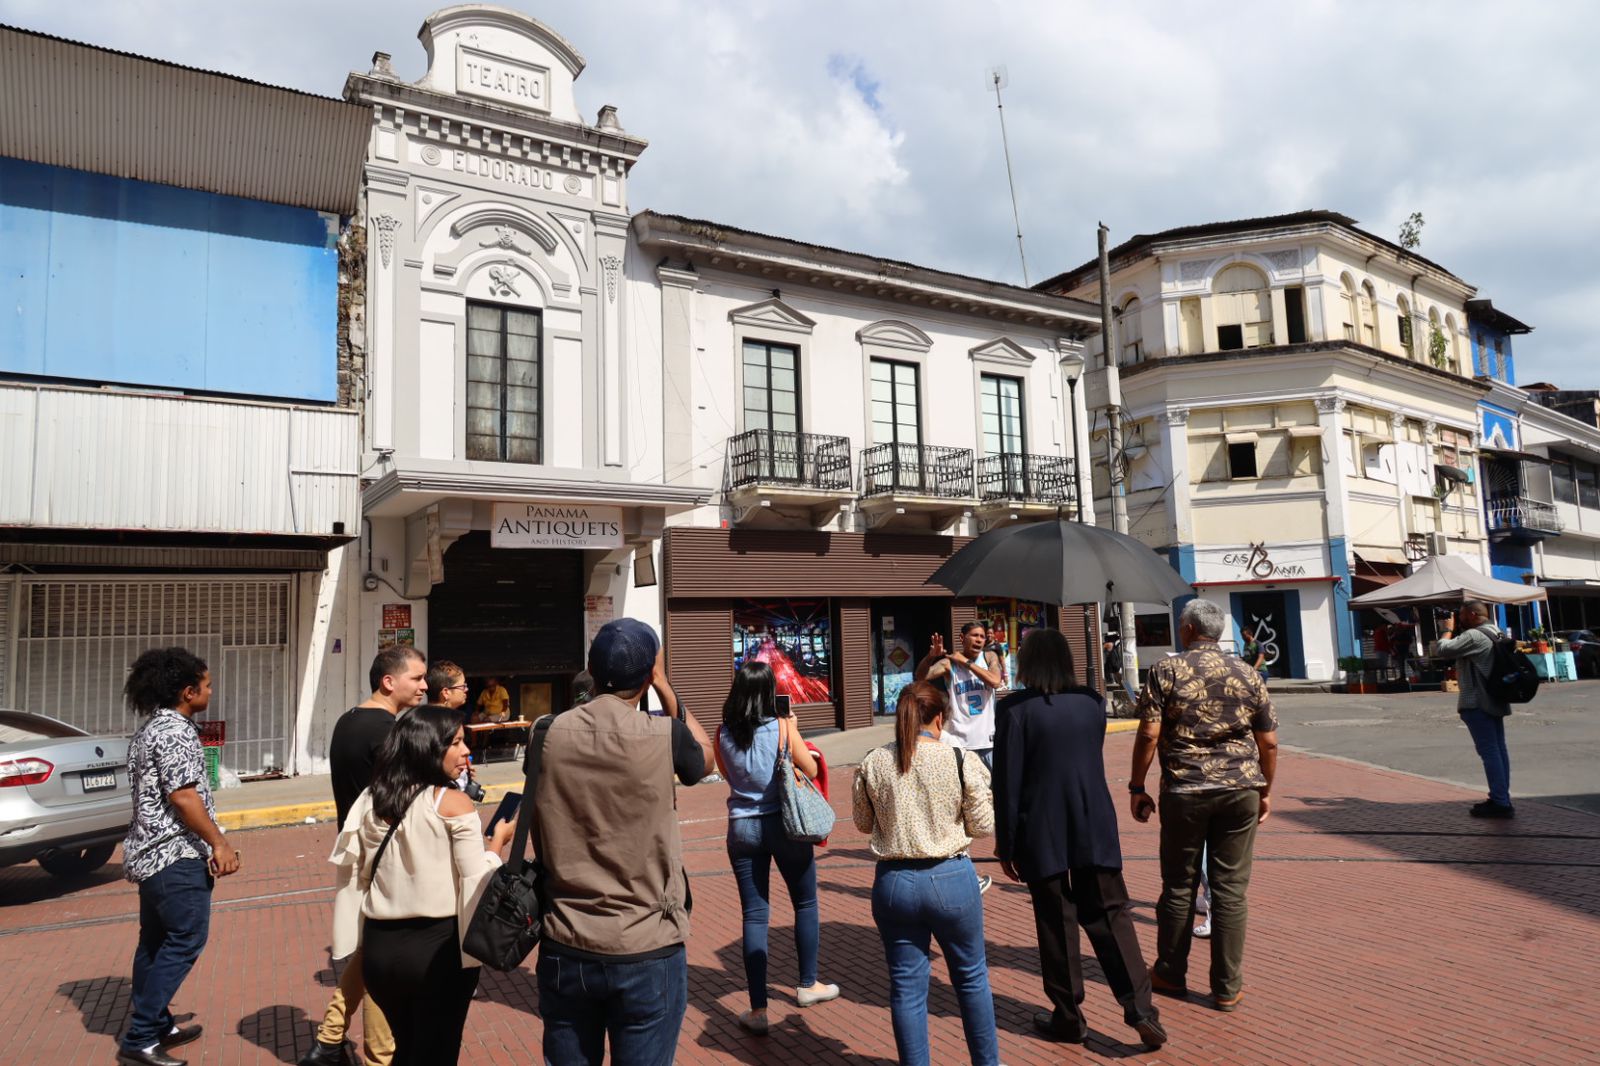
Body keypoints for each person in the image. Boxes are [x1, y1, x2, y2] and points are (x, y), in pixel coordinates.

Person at [532, 619, 714, 1065]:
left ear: (591, 672)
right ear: (649, 672)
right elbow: (705, 757)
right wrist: (666, 685)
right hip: (646, 943)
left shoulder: (546, 733)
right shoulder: (663, 736)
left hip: (566, 938)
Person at [993, 630, 1167, 1049]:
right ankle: (1140, 1009)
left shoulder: (1015, 710)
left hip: (1041, 825)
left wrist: (1007, 842)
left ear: (1028, 663)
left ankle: (1069, 1015)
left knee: (1056, 922)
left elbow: (1007, 783)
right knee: (1111, 914)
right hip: (1092, 821)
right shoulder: (1092, 703)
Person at [331, 706, 515, 1065]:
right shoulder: (452, 803)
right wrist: (497, 843)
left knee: (407, 1047)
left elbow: (357, 871)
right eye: (456, 742)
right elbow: (478, 881)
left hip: (380, 951)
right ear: (429, 747)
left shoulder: (372, 799)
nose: (466, 751)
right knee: (435, 1053)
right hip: (437, 953)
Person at [1129, 599, 1278, 1014]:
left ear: (1189, 630)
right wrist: (1265, 789)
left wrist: (1137, 786)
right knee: (1231, 890)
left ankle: (1170, 972)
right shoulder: (1248, 673)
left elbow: (1148, 734)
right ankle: (1227, 986)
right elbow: (1268, 741)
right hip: (1241, 788)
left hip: (1186, 789)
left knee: (1179, 885)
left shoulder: (1166, 670)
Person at [853, 682, 999, 1066]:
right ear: (939, 718)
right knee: (970, 978)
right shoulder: (959, 758)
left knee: (906, 987)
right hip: (950, 877)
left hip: (894, 882)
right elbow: (983, 825)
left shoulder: (874, 760)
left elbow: (862, 822)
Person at [301, 647, 428, 1066]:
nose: (425, 686)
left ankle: (330, 1038)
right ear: (389, 682)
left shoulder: (348, 720)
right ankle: (380, 1056)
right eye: (417, 678)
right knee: (383, 960)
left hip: (361, 847)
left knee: (369, 946)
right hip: (386, 853)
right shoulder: (390, 731)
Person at [117, 648, 241, 1066]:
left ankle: (157, 1023)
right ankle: (139, 1038)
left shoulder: (151, 729)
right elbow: (184, 797)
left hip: (149, 856)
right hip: (174, 856)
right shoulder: (174, 732)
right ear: (188, 692)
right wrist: (219, 843)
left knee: (154, 942)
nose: (210, 691)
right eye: (205, 685)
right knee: (185, 939)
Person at [714, 660, 840, 1035]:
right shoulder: (783, 726)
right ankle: (807, 984)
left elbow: (727, 775)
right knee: (805, 903)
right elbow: (812, 770)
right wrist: (795, 730)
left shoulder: (723, 733)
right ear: (771, 692)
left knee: (755, 914)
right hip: (785, 825)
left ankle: (757, 1008)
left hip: (742, 827)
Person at [914, 622, 1001, 893]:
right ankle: (964, 866)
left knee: (1000, 800)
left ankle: (1008, 849)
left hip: (988, 744)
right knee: (958, 806)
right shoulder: (950, 665)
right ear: (962, 638)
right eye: (974, 636)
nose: (979, 640)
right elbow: (920, 678)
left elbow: (996, 681)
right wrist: (932, 656)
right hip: (959, 746)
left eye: (982, 636)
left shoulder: (990, 658)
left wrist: (967, 662)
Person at [1435, 601, 1515, 818]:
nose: (1459, 618)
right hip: (1495, 697)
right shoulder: (1495, 632)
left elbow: (1442, 649)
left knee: (1489, 751)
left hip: (1477, 701)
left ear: (1471, 614)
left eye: (1461, 615)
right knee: (1498, 749)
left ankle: (1500, 802)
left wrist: (1447, 629)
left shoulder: (1475, 636)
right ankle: (1501, 797)